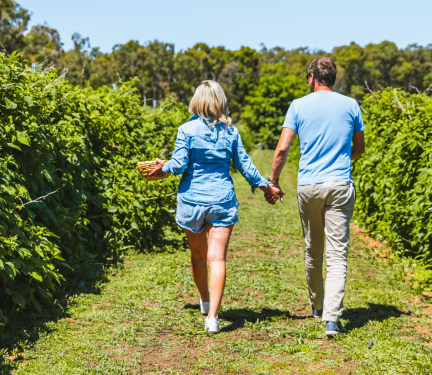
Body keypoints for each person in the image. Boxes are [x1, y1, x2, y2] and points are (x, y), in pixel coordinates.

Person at [147, 80, 280, 333]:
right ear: (221, 101)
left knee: (198, 256)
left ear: (197, 100)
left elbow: (177, 165)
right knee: (217, 258)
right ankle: (214, 319)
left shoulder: (186, 129)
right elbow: (246, 167)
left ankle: (205, 300)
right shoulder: (231, 132)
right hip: (221, 201)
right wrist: (267, 187)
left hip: (192, 202)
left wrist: (162, 166)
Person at [266, 57, 365, 336]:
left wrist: (272, 181)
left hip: (309, 186)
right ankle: (332, 320)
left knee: (313, 248)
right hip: (339, 184)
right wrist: (340, 156)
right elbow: (359, 148)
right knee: (337, 253)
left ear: (312, 77)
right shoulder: (351, 105)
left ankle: (318, 305)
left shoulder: (298, 105)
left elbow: (282, 149)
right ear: (332, 78)